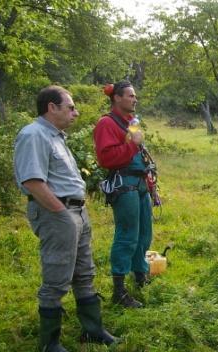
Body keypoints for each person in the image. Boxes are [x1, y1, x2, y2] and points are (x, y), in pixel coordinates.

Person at [14, 85, 116, 352]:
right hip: (58, 214)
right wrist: (61, 213)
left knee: (84, 273)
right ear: (51, 107)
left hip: (76, 212)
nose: (75, 112)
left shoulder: (56, 137)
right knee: (57, 278)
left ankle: (92, 330)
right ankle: (50, 344)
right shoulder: (33, 135)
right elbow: (32, 182)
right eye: (70, 107)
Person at [93, 81, 156, 308]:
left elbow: (138, 150)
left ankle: (140, 276)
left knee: (144, 234)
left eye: (134, 95)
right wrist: (131, 144)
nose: (134, 99)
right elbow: (106, 158)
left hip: (139, 183)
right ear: (117, 98)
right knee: (127, 235)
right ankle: (119, 291)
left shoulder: (132, 122)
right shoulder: (106, 124)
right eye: (130, 95)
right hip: (124, 184)